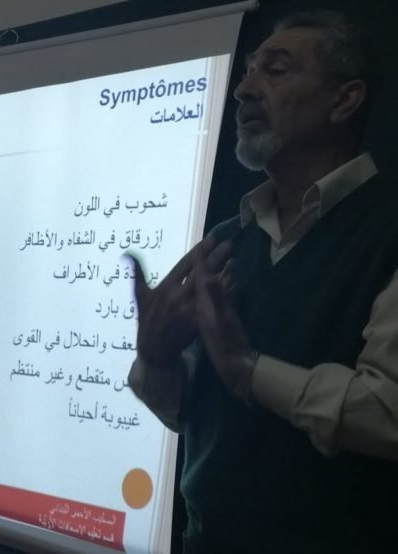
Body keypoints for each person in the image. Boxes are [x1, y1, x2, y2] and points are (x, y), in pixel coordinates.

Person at [128, 10, 398, 554]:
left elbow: (388, 413)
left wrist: (247, 369)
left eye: (275, 71)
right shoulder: (226, 241)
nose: (244, 91)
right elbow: (188, 414)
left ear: (344, 100)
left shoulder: (388, 227)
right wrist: (155, 358)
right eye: (248, 72)